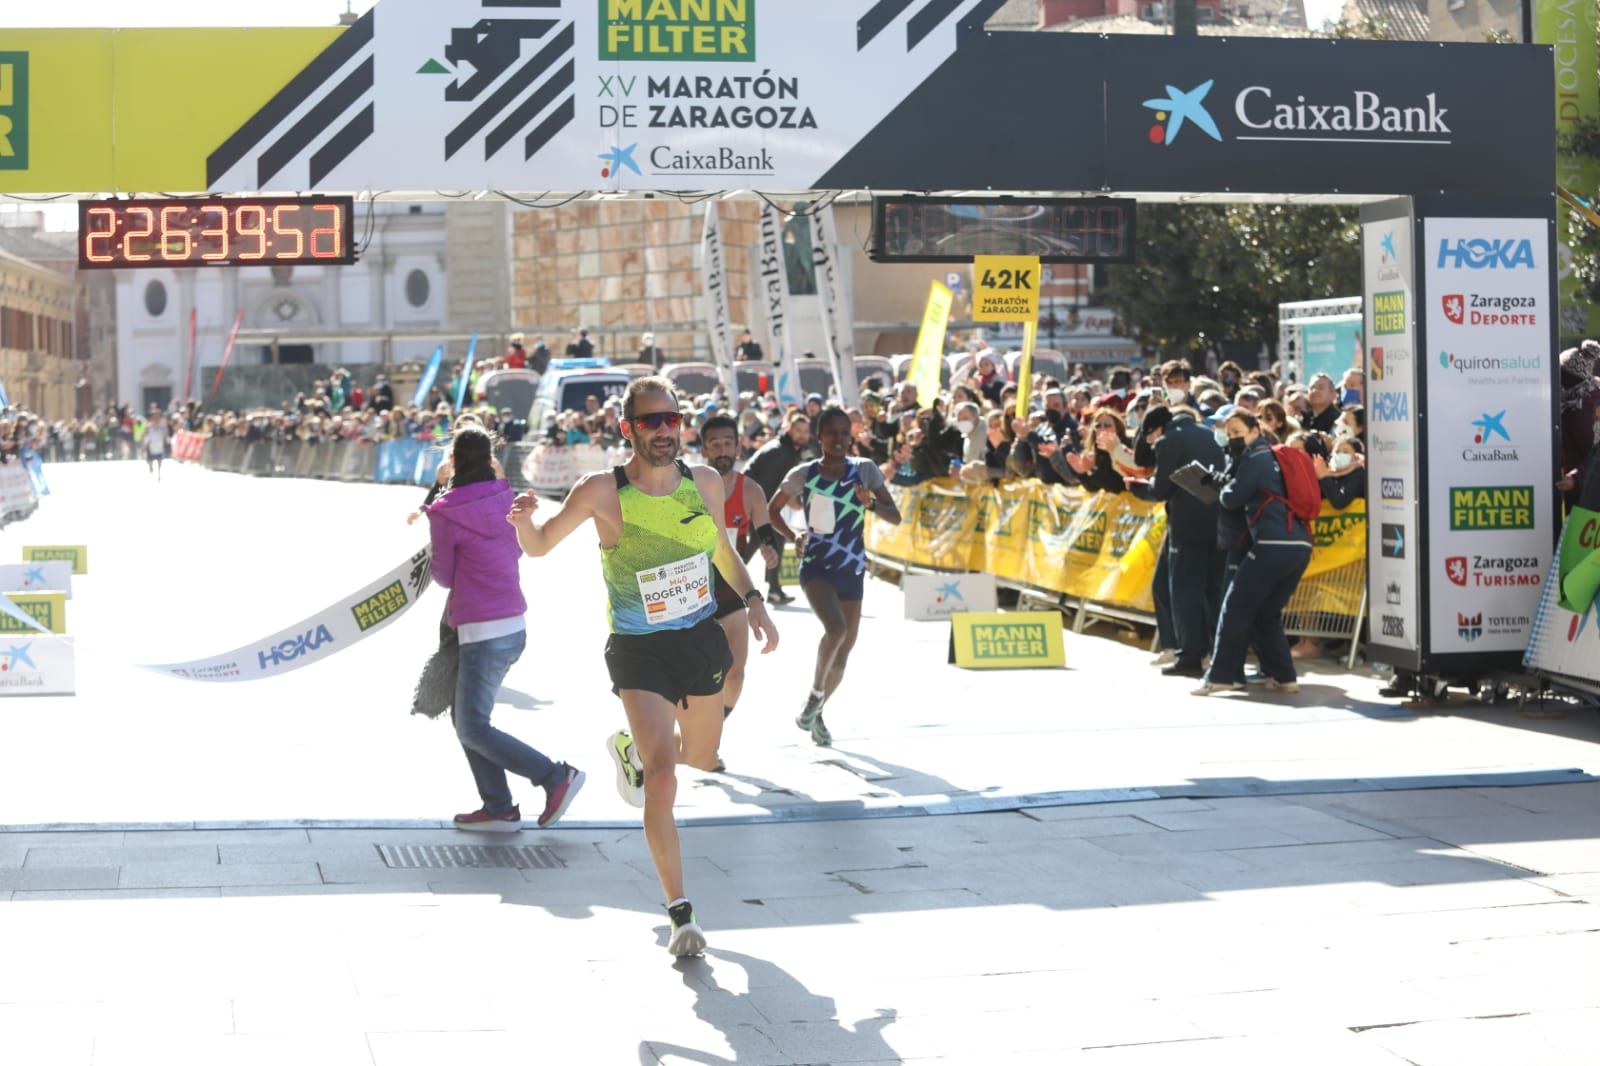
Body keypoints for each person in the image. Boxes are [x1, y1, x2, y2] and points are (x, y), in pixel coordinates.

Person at [506, 377, 778, 957]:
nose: (663, 430)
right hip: (638, 647)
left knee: (701, 757)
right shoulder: (601, 490)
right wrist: (523, 523)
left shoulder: (703, 482)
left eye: (671, 420)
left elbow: (723, 553)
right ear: (627, 428)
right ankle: (681, 912)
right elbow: (541, 545)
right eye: (650, 421)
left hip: (700, 640)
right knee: (663, 776)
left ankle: (634, 751)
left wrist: (755, 604)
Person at [424, 426, 585, 833]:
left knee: (473, 726)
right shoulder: (506, 498)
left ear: (454, 461)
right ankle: (497, 805)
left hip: (480, 629)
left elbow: (443, 576)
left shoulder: (445, 511)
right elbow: (517, 547)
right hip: (513, 624)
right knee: (468, 720)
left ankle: (553, 776)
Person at [767, 406, 902, 747]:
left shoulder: (865, 471)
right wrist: (794, 536)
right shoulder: (805, 473)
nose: (838, 438)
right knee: (836, 629)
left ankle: (817, 714)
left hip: (852, 568)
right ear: (819, 435)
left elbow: (895, 517)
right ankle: (814, 697)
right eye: (831, 432)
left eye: (844, 432)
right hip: (816, 567)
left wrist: (869, 503)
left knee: (843, 653)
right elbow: (772, 509)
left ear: (851, 435)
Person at [1195, 410, 1314, 696]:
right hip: (1299, 544)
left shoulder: (1255, 459)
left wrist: (1221, 487)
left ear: (1255, 431)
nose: (1233, 438)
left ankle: (1222, 676)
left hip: (1272, 544)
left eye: (1238, 432)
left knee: (1234, 607)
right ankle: (1285, 676)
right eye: (1230, 433)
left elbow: (1233, 499)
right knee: (1266, 612)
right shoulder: (1274, 458)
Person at [700, 415, 783, 768]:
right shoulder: (690, 484)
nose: (722, 450)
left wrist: (769, 550)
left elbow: (765, 530)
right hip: (691, 588)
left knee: (735, 672)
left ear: (738, 446)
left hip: (732, 585)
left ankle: (709, 737)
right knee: (697, 674)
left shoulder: (751, 490)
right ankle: (692, 737)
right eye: (715, 444)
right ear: (704, 449)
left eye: (727, 443)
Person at [1132, 404, 1225, 679]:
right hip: (1219, 521)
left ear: (1156, 430)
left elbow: (1161, 489)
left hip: (1187, 525)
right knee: (1213, 591)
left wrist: (1137, 487)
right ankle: (1218, 652)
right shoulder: (1209, 433)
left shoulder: (1169, 440)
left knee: (1184, 590)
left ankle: (1190, 655)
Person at [744, 411, 815, 604]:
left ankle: (774, 590)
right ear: (788, 430)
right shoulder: (781, 452)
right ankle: (727, 583)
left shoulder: (788, 450)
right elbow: (766, 485)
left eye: (805, 431)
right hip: (753, 502)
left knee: (773, 543)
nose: (802, 434)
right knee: (760, 543)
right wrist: (789, 501)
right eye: (798, 430)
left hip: (757, 502)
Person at [144, 409, 168, 480]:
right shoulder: (148, 426)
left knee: (159, 460)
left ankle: (159, 473)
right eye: (154, 416)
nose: (156, 418)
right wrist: (144, 445)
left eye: (157, 416)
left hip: (159, 445)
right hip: (151, 445)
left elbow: (165, 434)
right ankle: (150, 466)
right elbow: (145, 435)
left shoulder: (162, 425)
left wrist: (165, 440)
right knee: (150, 459)